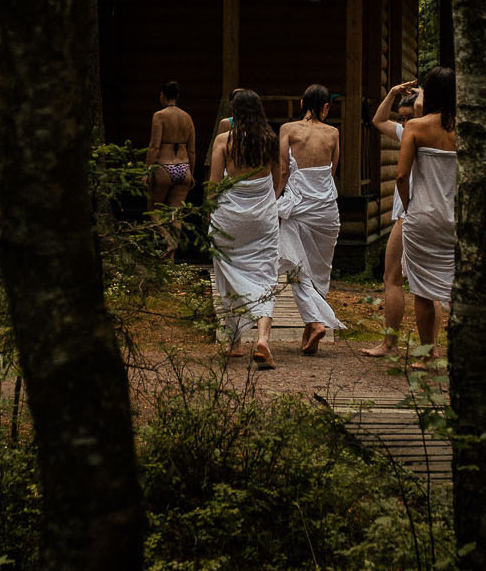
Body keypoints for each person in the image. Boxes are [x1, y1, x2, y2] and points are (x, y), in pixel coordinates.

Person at [208, 88, 283, 368]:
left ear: (235, 112)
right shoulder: (270, 140)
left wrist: (208, 211)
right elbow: (277, 182)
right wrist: (266, 207)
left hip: (230, 217)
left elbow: (215, 184)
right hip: (262, 218)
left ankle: (235, 341)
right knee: (265, 274)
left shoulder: (223, 141)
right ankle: (263, 338)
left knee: (227, 274)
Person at [276, 83, 346, 355]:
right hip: (327, 208)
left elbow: (283, 169)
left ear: (302, 102)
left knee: (296, 266)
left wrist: (273, 199)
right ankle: (310, 329)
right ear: (326, 106)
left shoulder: (289, 130)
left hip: (299, 206)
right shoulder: (333, 133)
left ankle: (315, 322)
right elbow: (333, 170)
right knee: (319, 268)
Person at [396, 66, 456, 367]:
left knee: (421, 289)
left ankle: (428, 352)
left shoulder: (416, 128)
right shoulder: (466, 128)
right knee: (458, 282)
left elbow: (400, 174)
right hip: (457, 218)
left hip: (422, 216)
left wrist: (409, 206)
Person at [360, 80, 420, 358]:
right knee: (397, 278)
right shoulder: (415, 132)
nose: (406, 122)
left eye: (411, 117)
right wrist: (394, 93)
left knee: (407, 282)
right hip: (415, 216)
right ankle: (392, 344)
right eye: (403, 118)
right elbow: (378, 119)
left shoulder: (421, 134)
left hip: (412, 215)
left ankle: (403, 345)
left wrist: (415, 94)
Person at [145, 81, 196, 248]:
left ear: (162, 95)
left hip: (163, 166)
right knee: (176, 213)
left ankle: (168, 240)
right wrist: (192, 172)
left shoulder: (159, 116)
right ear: (177, 96)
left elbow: (154, 146)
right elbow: (192, 150)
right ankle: (171, 259)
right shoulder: (187, 117)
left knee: (153, 210)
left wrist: (147, 171)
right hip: (184, 167)